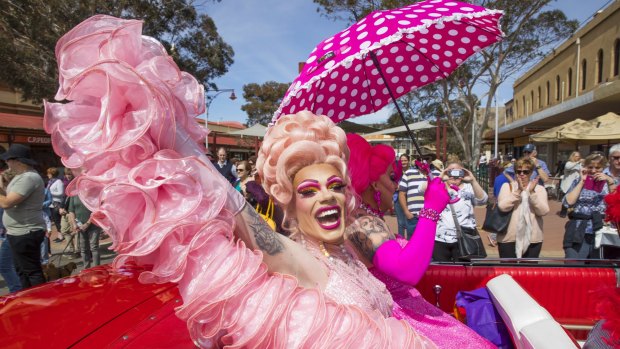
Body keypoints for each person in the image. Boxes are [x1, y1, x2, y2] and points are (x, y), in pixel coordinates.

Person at [47, 16, 437, 347]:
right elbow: (236, 209)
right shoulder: (299, 261)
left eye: (335, 186)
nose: (327, 199)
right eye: (309, 191)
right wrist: (173, 135)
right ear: (289, 199)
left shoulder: (349, 248)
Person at [345, 134, 495, 348]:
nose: (396, 186)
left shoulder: (365, 217)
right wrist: (431, 210)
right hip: (396, 321)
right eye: (391, 177)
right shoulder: (362, 221)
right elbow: (407, 270)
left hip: (406, 310)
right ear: (375, 184)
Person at [0, 144, 46, 288]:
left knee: (31, 272)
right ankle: (28, 300)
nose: (6, 163)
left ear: (18, 161)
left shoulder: (29, 178)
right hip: (18, 232)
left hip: (25, 232)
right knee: (22, 271)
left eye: (8, 160)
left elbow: (7, 202)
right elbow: (8, 196)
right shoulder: (21, 177)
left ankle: (41, 301)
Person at [563, 153, 617, 259]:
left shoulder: (609, 182)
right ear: (585, 167)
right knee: (574, 267)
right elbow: (568, 202)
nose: (593, 171)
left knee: (598, 269)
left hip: (600, 230)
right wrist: (582, 182)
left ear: (603, 168)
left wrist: (610, 182)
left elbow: (615, 204)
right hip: (578, 229)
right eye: (590, 167)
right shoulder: (578, 181)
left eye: (597, 167)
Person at [432, 159, 488, 262]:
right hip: (440, 238)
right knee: (442, 272)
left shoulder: (469, 188)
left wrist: (473, 180)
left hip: (464, 238)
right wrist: (441, 177)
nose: (454, 175)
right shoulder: (439, 186)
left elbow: (483, 200)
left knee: (462, 272)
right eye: (451, 171)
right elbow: (421, 189)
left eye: (458, 171)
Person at [497, 158, 550, 258]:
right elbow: (502, 207)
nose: (522, 174)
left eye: (526, 172)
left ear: (531, 173)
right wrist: (518, 192)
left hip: (533, 238)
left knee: (528, 272)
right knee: (508, 272)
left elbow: (544, 211)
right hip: (509, 238)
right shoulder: (507, 187)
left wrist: (532, 193)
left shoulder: (539, 189)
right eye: (518, 171)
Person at [67, 194, 102, 269]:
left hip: (94, 225)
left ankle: (97, 269)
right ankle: (86, 269)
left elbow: (96, 211)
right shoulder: (74, 195)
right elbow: (71, 211)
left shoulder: (93, 194)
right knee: (83, 249)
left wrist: (87, 223)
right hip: (80, 226)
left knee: (94, 247)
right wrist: (74, 224)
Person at [398, 156, 427, 239]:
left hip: (429, 218)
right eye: (421, 159)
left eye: (427, 158)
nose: (424, 161)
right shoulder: (409, 173)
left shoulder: (434, 174)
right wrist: (406, 212)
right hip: (413, 216)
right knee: (412, 243)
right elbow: (402, 193)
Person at [559, 151, 582, 217]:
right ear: (573, 156)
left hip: (576, 183)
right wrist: (578, 162)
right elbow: (568, 167)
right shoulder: (569, 163)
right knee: (566, 198)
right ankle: (563, 212)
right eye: (576, 156)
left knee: (574, 198)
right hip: (568, 184)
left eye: (579, 156)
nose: (578, 158)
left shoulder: (579, 164)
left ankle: (572, 213)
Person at [46, 167, 65, 243]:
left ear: (52, 174)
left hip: (57, 203)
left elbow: (61, 193)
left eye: (48, 173)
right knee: (56, 220)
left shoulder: (58, 182)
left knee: (58, 220)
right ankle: (59, 235)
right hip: (51, 204)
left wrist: (49, 193)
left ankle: (62, 236)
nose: (47, 175)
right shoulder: (50, 182)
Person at [393, 154, 410, 236]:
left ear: (409, 161)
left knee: (410, 221)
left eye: (405, 160)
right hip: (398, 199)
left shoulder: (412, 171)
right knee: (400, 222)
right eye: (402, 160)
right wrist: (395, 186)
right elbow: (391, 183)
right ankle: (401, 241)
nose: (403, 162)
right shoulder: (395, 172)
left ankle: (411, 241)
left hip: (410, 199)